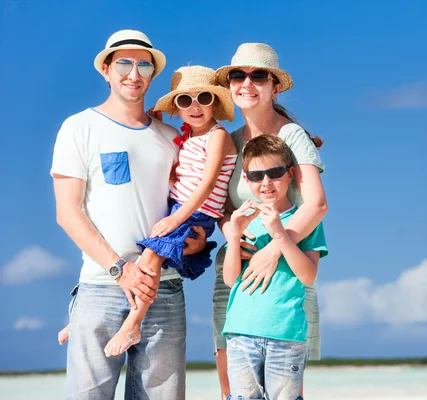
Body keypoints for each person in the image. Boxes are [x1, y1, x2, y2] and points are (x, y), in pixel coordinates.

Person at [50, 29, 206, 399]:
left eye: (144, 65)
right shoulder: (79, 127)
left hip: (163, 290)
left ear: (152, 75)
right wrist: (120, 269)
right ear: (106, 69)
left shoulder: (172, 138)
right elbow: (67, 212)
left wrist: (195, 245)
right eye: (123, 62)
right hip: (101, 287)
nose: (133, 73)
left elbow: (183, 208)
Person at [57, 65, 237, 358]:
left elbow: (206, 184)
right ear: (176, 109)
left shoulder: (217, 136)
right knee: (145, 261)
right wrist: (155, 119)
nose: (194, 106)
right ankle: (81, 322)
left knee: (150, 260)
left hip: (195, 213)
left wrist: (176, 218)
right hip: (179, 209)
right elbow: (176, 177)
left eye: (203, 98)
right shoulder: (186, 139)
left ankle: (133, 323)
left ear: (215, 103)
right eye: (183, 101)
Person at [212, 43, 328, 399]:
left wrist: (274, 249)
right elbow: (222, 209)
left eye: (258, 75)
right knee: (232, 387)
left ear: (274, 86)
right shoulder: (229, 142)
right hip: (236, 272)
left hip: (286, 271)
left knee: (286, 391)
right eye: (238, 75)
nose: (247, 83)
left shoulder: (291, 135)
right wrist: (233, 236)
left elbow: (317, 204)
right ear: (229, 84)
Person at [222, 135, 328, 399]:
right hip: (241, 332)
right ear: (246, 180)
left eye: (275, 173)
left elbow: (308, 275)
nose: (266, 182)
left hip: (286, 334)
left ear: (290, 174)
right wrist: (234, 237)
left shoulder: (306, 221)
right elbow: (231, 279)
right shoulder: (246, 222)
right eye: (257, 176)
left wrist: (281, 235)